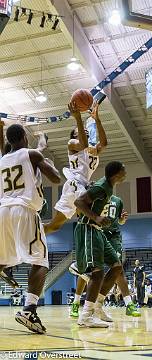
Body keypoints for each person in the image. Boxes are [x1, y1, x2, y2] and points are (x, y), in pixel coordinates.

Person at [0, 124, 61, 334]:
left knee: (2, 261)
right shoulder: (32, 155)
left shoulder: (2, 159)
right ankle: (29, 309)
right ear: (25, 137)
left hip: (3, 212)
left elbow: (12, 153)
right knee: (40, 260)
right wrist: (47, 165)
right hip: (24, 210)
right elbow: (56, 178)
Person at [73, 161, 127, 328]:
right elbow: (78, 202)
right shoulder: (102, 187)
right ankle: (86, 315)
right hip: (88, 229)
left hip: (98, 231)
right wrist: (95, 218)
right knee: (97, 273)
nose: (125, 172)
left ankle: (98, 305)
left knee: (117, 266)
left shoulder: (108, 186)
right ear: (116, 173)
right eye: (123, 170)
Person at [69, 195, 140, 318]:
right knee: (89, 270)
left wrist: (122, 220)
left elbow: (119, 221)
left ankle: (128, 304)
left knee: (117, 268)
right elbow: (80, 211)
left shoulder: (118, 201)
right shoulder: (97, 195)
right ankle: (76, 302)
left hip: (113, 236)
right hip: (97, 231)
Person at [44, 102, 107, 234]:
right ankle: (93, 224)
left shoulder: (92, 149)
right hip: (75, 183)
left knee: (54, 226)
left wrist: (97, 119)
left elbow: (104, 143)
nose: (84, 129)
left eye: (86, 129)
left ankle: (32, 232)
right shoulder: (72, 144)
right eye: (79, 129)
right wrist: (78, 118)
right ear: (74, 135)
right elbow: (82, 144)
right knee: (87, 207)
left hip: (80, 184)